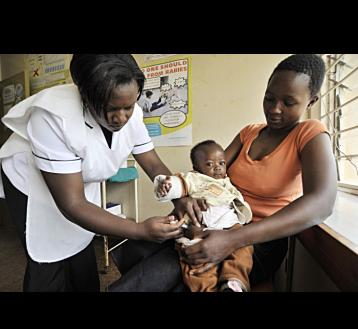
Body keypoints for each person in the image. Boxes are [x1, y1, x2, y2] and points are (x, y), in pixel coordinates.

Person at [109, 53, 337, 292]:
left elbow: (322, 203)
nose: (275, 109)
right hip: (213, 224)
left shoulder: (309, 133)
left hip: (254, 242)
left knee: (174, 273)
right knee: (147, 256)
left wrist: (232, 239)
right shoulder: (249, 133)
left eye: (288, 102)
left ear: (311, 101)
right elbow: (205, 173)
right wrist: (185, 196)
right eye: (269, 98)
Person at [0, 54, 184, 292]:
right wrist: (139, 230)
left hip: (74, 183)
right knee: (48, 256)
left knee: (80, 244)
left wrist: (180, 196)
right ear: (85, 96)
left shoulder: (132, 112)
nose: (121, 118)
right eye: (110, 109)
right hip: (30, 181)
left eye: (128, 107)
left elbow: (152, 164)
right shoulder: (53, 117)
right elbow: (73, 204)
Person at [154, 140, 253, 292]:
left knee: (244, 248)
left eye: (221, 162)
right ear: (196, 168)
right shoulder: (195, 179)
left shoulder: (227, 183)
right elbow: (180, 183)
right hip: (200, 228)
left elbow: (237, 201)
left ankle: (233, 282)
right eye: (209, 164)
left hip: (229, 226)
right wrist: (168, 186)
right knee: (198, 267)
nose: (217, 167)